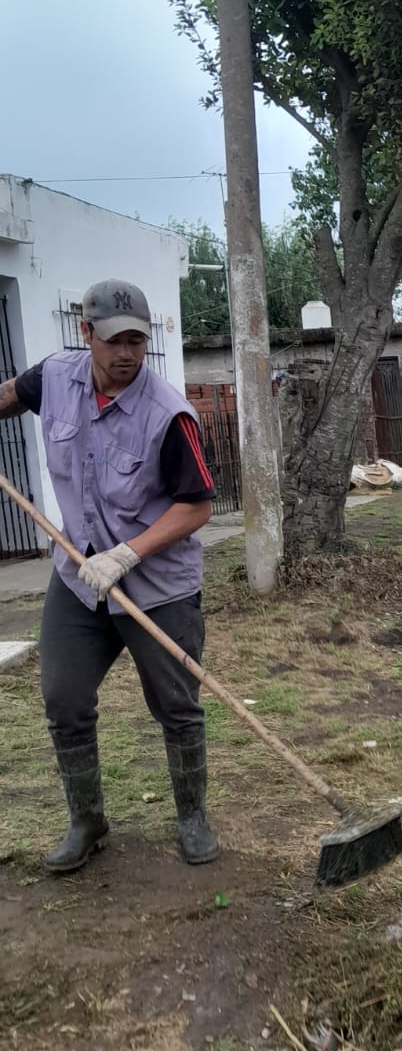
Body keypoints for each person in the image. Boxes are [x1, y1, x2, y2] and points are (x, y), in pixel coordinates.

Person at [0, 279, 220, 873]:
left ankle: (193, 817)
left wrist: (126, 555)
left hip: (157, 584)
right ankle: (87, 820)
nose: (127, 353)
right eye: (115, 340)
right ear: (85, 333)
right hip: (78, 580)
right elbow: (12, 394)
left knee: (176, 705)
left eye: (137, 342)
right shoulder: (56, 378)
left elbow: (196, 505)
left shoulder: (168, 414)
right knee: (63, 698)